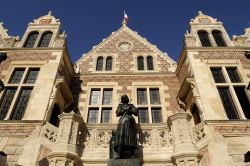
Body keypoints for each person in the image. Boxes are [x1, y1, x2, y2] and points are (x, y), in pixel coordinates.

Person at [114, 94, 138, 159]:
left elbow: (136, 112)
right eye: (123, 98)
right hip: (122, 122)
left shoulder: (131, 105)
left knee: (131, 138)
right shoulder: (120, 106)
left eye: (125, 98)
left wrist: (130, 110)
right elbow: (117, 113)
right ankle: (119, 154)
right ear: (122, 100)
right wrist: (124, 110)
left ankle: (132, 155)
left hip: (130, 121)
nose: (124, 99)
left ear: (127, 99)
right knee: (120, 137)